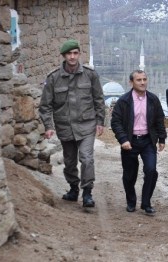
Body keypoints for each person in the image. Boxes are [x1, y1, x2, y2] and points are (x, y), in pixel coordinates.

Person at [39, 39, 106, 208]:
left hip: (86, 125)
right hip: (65, 127)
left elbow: (98, 99)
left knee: (87, 158)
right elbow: (45, 105)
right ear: (64, 56)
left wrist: (100, 121)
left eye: (75, 53)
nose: (72, 57)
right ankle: (73, 189)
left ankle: (88, 192)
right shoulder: (53, 78)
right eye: (69, 54)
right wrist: (48, 126)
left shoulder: (90, 75)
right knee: (69, 162)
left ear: (79, 54)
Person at [111, 70, 167, 216]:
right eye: (139, 80)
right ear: (131, 82)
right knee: (130, 174)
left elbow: (159, 119)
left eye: (144, 79)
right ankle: (131, 201)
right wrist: (123, 139)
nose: (142, 82)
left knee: (151, 170)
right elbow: (116, 122)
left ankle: (146, 203)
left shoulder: (153, 99)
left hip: (148, 141)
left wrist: (161, 138)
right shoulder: (124, 101)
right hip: (130, 141)